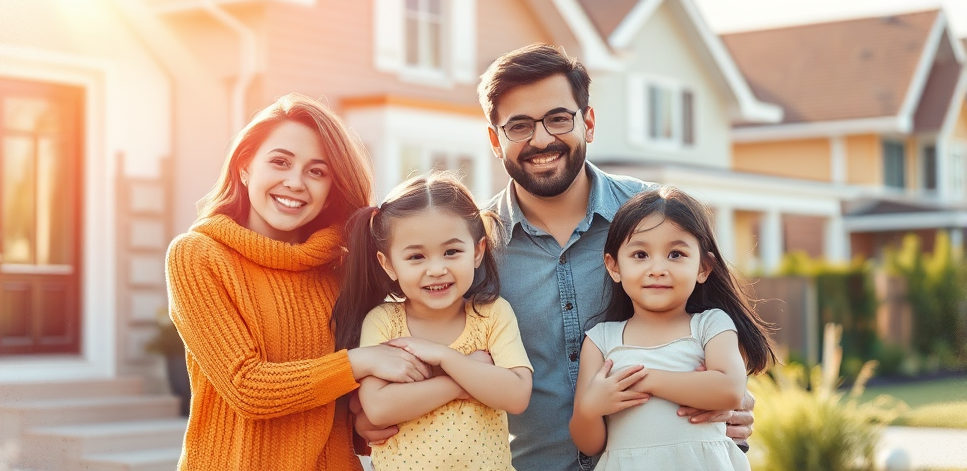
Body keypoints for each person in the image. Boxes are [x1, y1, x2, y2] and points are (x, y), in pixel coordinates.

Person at [355, 44, 756, 471]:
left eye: (558, 119)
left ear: (588, 122)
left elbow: (714, 327)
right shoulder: (471, 246)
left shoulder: (655, 220)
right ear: (495, 139)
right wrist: (362, 414)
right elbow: (416, 331)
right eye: (520, 126)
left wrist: (736, 399)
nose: (542, 139)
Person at [165, 93, 432, 471]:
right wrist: (359, 361)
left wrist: (365, 421)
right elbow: (247, 388)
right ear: (244, 167)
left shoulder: (345, 269)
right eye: (280, 162)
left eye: (316, 171)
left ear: (330, 189)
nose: (295, 182)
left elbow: (347, 405)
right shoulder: (198, 256)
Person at [333, 171, 533, 471]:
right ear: (388, 264)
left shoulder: (491, 315)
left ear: (478, 252)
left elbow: (517, 395)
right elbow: (377, 408)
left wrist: (443, 356)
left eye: (451, 252)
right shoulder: (385, 322)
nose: (437, 269)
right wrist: (459, 381)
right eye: (416, 257)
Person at [569, 187, 776, 470]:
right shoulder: (601, 340)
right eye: (640, 255)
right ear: (614, 266)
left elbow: (728, 389)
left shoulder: (712, 325)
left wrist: (646, 380)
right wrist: (590, 409)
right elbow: (589, 444)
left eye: (676, 254)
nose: (657, 268)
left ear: (703, 267)